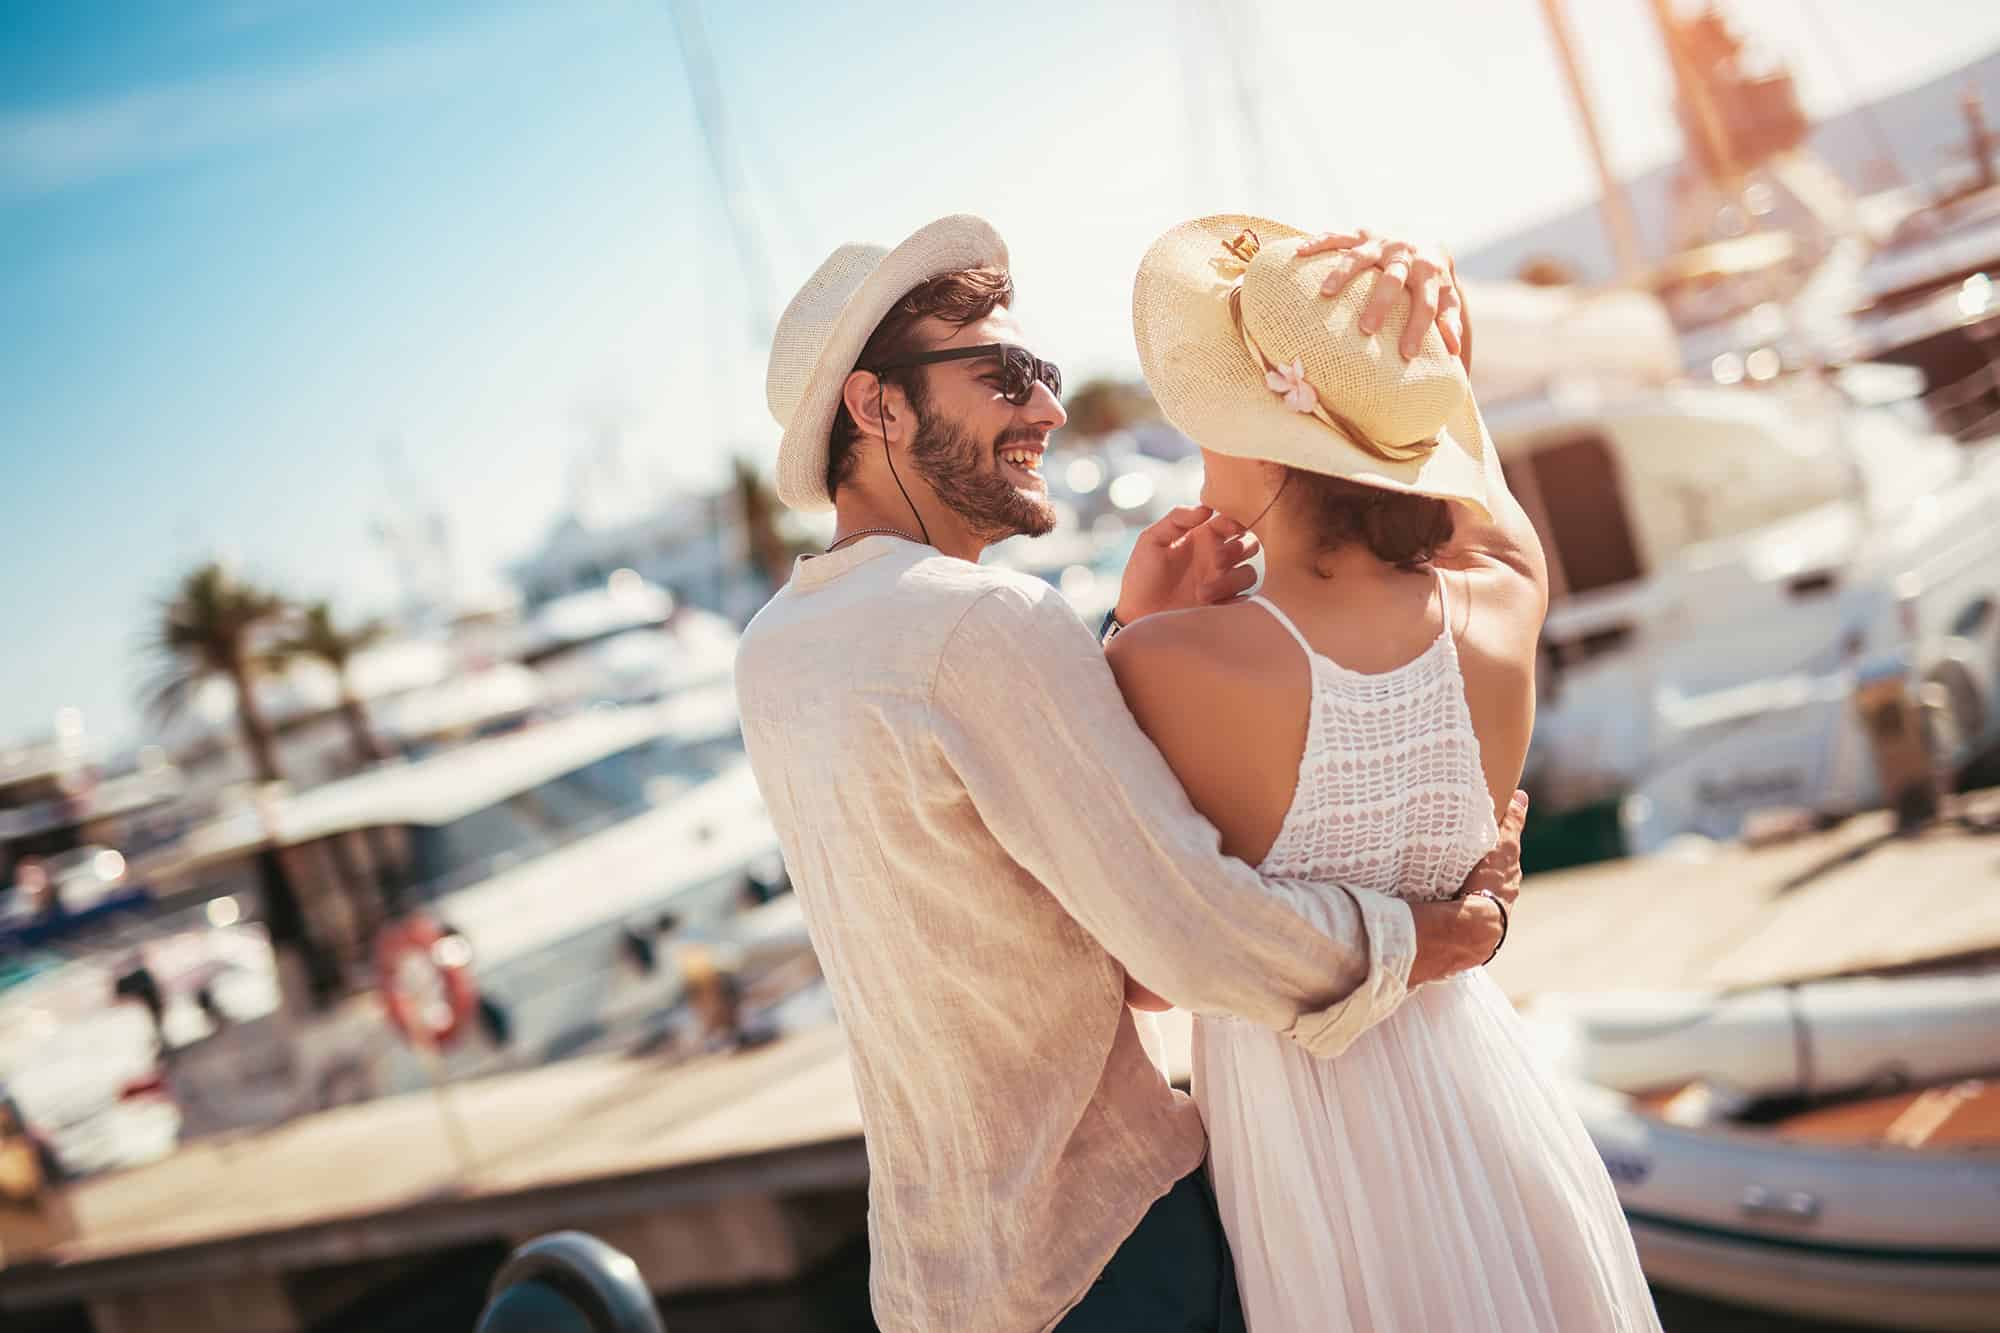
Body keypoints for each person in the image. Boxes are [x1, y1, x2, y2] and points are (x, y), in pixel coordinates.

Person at [736, 213, 1526, 1333]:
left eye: (1042, 371)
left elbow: (987, 879)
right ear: (876, 407)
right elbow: (1189, 939)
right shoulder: (983, 626)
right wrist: (1448, 932)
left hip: (936, 1276)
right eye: (1004, 373)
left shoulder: (778, 648)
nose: (1048, 410)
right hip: (1104, 1251)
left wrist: (1121, 638)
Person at [1122, 213, 1660, 1331]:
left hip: (1313, 1160)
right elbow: (1484, 505)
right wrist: (1430, 358)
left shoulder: (1165, 657)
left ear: (1266, 436)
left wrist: (1136, 624)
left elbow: (1146, 974)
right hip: (1486, 1090)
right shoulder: (1503, 595)